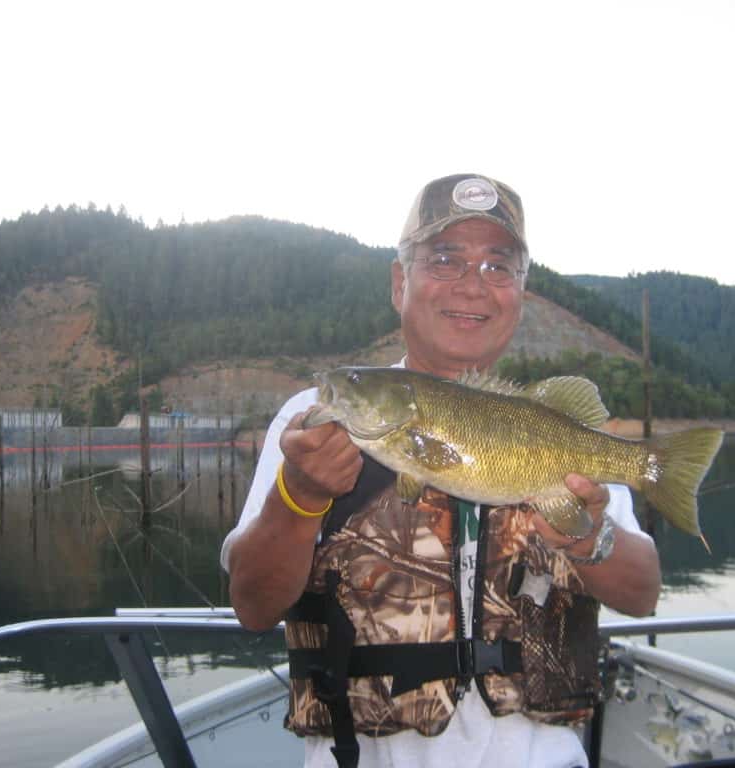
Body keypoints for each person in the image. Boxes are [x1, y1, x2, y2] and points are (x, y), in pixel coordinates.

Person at [221, 173, 661, 768]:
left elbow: (643, 594)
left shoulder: (553, 428)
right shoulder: (309, 423)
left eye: (498, 267)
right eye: (446, 259)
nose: (473, 287)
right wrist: (298, 497)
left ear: (521, 293)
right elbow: (252, 606)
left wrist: (589, 538)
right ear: (400, 282)